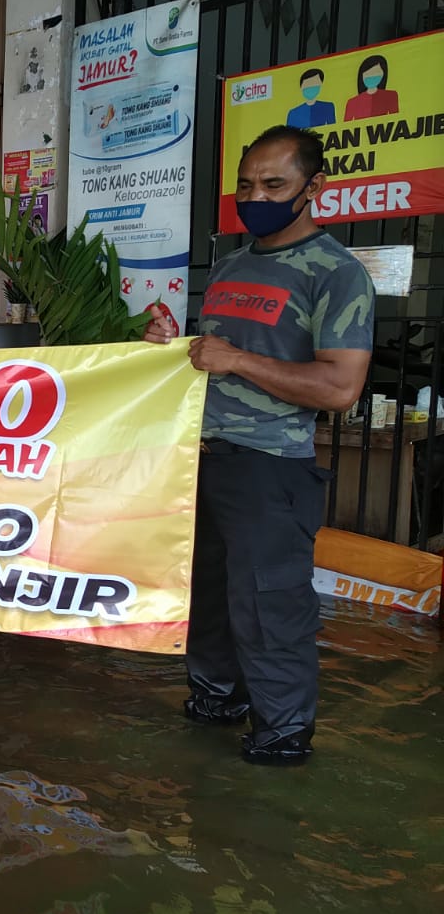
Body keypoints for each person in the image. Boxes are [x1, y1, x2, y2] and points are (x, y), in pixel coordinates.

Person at [145, 125, 373, 765]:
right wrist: (172, 344)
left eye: (274, 184)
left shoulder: (337, 273)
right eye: (247, 183)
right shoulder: (231, 266)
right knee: (211, 597)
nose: (256, 195)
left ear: (313, 188)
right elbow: (213, 361)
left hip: (272, 469)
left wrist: (235, 359)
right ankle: (214, 698)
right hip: (206, 460)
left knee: (270, 604)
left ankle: (282, 734)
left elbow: (339, 387)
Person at [342, 54, 398, 121]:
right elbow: (346, 126)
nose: (372, 76)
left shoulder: (391, 96)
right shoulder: (352, 102)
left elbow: (395, 119)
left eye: (376, 73)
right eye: (368, 74)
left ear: (383, 74)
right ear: (362, 76)